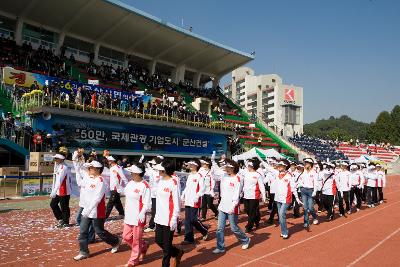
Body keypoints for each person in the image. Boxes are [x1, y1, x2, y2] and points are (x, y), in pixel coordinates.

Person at [73, 160, 121, 261]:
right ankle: (83, 252)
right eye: (89, 168)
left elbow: (97, 198)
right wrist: (77, 171)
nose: (89, 169)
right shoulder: (88, 178)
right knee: (83, 231)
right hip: (87, 210)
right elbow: (79, 183)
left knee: (99, 231)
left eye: (91, 168)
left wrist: (89, 209)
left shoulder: (101, 181)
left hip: (97, 210)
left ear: (98, 169)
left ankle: (115, 241)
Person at [212, 159, 250, 254]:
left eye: (229, 167)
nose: (227, 169)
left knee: (233, 228)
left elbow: (237, 194)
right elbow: (215, 173)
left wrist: (233, 206)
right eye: (226, 167)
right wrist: (213, 161)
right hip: (222, 206)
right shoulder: (223, 175)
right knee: (220, 228)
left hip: (232, 206)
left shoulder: (238, 178)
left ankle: (245, 239)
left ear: (234, 168)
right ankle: (220, 247)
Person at [152, 161, 184, 267]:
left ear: (165, 170)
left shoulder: (173, 182)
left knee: (166, 246)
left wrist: (174, 218)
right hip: (159, 217)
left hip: (169, 218)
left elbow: (176, 202)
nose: (158, 171)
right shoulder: (160, 181)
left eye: (160, 169)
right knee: (158, 241)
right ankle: (176, 252)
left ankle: (165, 265)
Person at [122, 163, 151, 267]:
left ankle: (133, 260)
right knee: (126, 237)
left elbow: (147, 203)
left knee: (136, 241)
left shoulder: (145, 185)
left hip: (138, 217)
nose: (130, 173)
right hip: (129, 215)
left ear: (138, 173)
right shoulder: (130, 183)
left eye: (132, 172)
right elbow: (125, 193)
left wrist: (142, 213)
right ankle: (143, 246)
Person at [181, 160, 209, 245]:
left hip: (195, 201)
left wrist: (197, 196)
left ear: (196, 166)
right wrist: (183, 194)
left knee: (193, 219)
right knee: (187, 220)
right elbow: (187, 187)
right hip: (188, 200)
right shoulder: (190, 176)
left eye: (192, 164)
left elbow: (202, 188)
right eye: (190, 164)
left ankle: (204, 230)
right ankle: (188, 238)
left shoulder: (199, 176)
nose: (190, 166)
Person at [274, 159, 301, 239]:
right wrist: (260, 159)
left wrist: (297, 198)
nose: (279, 167)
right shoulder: (277, 174)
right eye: (279, 165)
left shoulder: (289, 176)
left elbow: (293, 188)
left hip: (286, 199)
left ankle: (285, 231)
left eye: (281, 165)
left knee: (282, 214)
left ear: (285, 166)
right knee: (280, 215)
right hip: (278, 198)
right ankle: (283, 231)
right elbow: (269, 168)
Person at [73, 149, 95, 244]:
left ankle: (90, 236)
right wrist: (76, 155)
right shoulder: (84, 171)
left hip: (89, 201)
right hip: (84, 201)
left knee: (82, 219)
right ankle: (89, 235)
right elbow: (77, 166)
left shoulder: (91, 174)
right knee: (80, 219)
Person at [242, 158, 266, 233]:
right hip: (246, 195)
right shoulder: (245, 173)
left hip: (254, 196)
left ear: (253, 166)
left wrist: (264, 196)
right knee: (247, 211)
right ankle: (257, 218)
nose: (248, 166)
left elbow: (261, 186)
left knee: (252, 212)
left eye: (249, 165)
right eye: (248, 165)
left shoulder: (257, 175)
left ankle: (249, 226)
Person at [50, 154, 72, 227]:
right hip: (58, 190)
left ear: (61, 159)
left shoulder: (63, 167)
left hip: (64, 190)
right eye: (55, 158)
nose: (55, 160)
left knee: (64, 207)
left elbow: (60, 180)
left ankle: (65, 222)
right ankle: (60, 218)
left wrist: (54, 190)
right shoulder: (58, 166)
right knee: (53, 204)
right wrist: (54, 189)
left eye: (57, 158)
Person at [144, 156, 163, 233]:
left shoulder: (161, 172)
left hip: (159, 195)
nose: (152, 165)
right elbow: (144, 171)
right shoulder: (151, 171)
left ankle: (152, 226)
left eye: (153, 164)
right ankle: (155, 225)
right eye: (151, 164)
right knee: (154, 210)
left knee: (155, 210)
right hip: (153, 194)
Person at [298, 158, 319, 228]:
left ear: (311, 164)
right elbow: (300, 180)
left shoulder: (314, 172)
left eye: (307, 163)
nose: (306, 164)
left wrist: (315, 191)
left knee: (310, 207)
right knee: (305, 207)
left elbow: (316, 183)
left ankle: (315, 216)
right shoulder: (303, 171)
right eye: (305, 163)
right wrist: (299, 185)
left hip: (310, 191)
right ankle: (306, 222)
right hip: (303, 190)